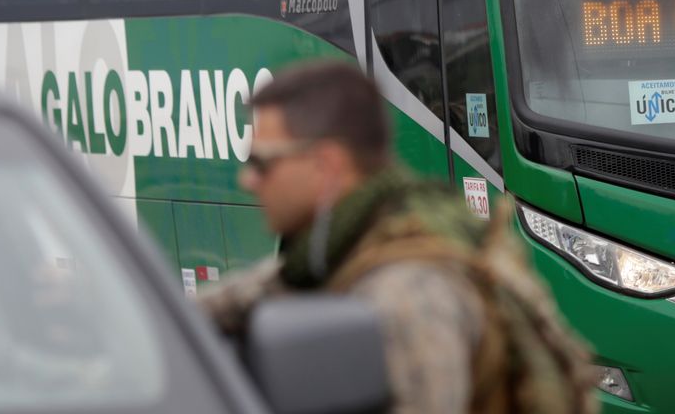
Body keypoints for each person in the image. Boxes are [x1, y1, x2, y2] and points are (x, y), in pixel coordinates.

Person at [200, 61, 594, 414]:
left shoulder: (409, 293)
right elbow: (239, 301)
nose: (247, 180)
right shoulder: (349, 244)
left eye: (261, 163)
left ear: (326, 164)